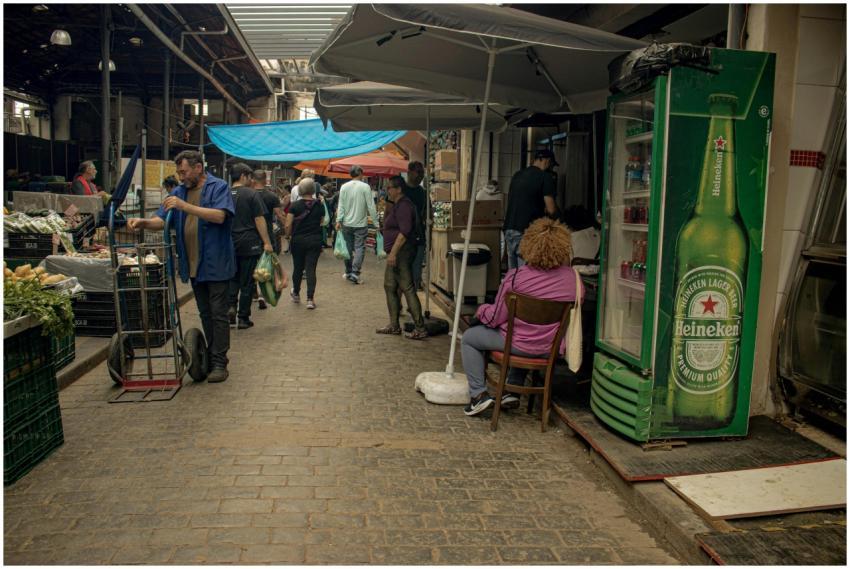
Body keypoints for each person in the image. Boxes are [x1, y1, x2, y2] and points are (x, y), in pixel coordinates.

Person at [127, 150, 235, 383]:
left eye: (184, 172)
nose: (181, 176)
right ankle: (210, 357)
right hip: (193, 264)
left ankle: (219, 362)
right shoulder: (178, 192)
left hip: (216, 263)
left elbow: (219, 216)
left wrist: (185, 206)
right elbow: (161, 219)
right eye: (179, 173)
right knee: (206, 313)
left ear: (198, 168)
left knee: (218, 314)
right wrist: (144, 222)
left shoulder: (218, 187)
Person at [461, 218, 582, 416]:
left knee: (469, 338)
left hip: (517, 344)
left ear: (529, 245)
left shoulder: (516, 277)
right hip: (550, 348)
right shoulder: (574, 280)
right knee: (529, 331)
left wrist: (481, 310)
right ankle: (512, 389)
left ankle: (478, 395)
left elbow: (495, 318)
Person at [376, 176, 427, 340]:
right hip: (397, 252)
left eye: (390, 188)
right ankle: (394, 324)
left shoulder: (404, 205)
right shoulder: (398, 204)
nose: (387, 191)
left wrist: (393, 253)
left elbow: (404, 232)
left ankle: (419, 327)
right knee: (390, 285)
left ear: (398, 189)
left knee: (407, 287)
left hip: (402, 252)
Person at [227, 163, 273, 329]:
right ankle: (243, 318)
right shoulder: (251, 194)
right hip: (249, 243)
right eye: (249, 177)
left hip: (229, 243)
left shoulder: (225, 193)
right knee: (247, 282)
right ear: (243, 176)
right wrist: (267, 242)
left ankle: (230, 306)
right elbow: (259, 219)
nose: (251, 180)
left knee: (232, 278)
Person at [502, 149, 559, 270]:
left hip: (509, 229)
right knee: (526, 274)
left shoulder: (517, 175)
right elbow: (551, 209)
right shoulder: (545, 177)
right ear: (546, 161)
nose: (551, 168)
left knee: (513, 274)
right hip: (526, 231)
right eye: (551, 164)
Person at [285, 179, 325, 310]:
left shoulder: (294, 206)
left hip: (298, 240)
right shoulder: (319, 205)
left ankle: (296, 293)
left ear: (300, 190)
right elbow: (322, 221)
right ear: (313, 190)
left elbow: (288, 224)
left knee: (298, 268)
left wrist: (287, 235)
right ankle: (310, 299)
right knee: (311, 269)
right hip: (315, 240)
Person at [335, 165, 378, 284]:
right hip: (361, 224)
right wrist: (376, 222)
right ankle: (355, 273)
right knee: (359, 247)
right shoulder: (365, 187)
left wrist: (338, 220)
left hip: (346, 223)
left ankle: (348, 271)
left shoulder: (344, 187)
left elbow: (341, 205)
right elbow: (371, 206)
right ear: (360, 173)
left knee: (347, 248)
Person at [403, 161, 428, 290]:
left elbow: (427, 214)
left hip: (418, 236)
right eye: (419, 172)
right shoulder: (400, 190)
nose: (421, 175)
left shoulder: (423, 193)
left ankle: (415, 287)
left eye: (422, 172)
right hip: (402, 237)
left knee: (416, 268)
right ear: (409, 172)